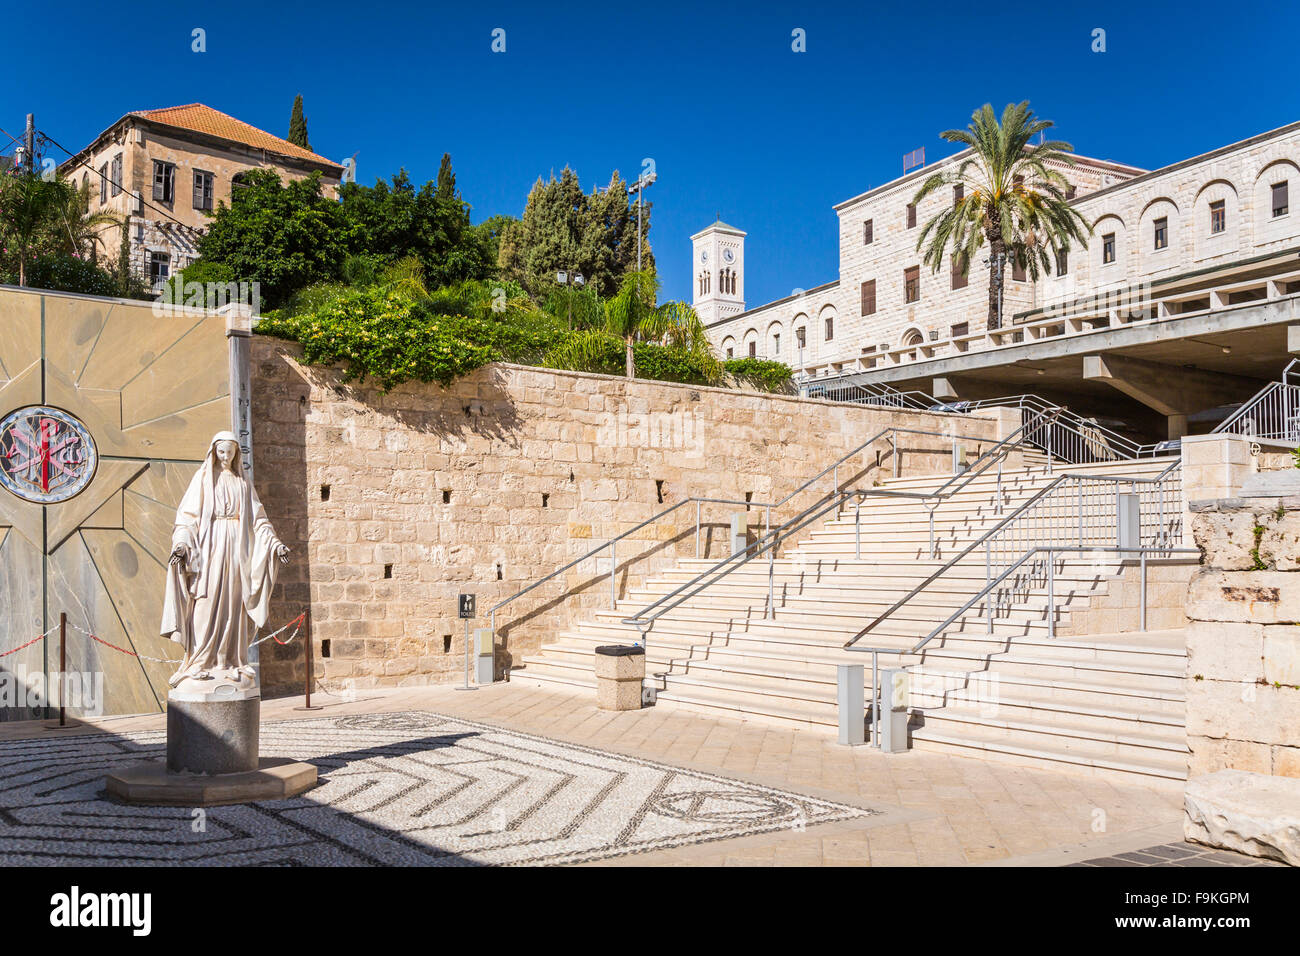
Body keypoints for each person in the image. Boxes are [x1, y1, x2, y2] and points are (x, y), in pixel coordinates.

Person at [161, 431, 290, 690]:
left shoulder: (243, 484)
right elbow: (187, 518)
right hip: (210, 547)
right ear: (214, 452)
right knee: (206, 603)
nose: (225, 456)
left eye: (230, 452)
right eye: (221, 451)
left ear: (235, 454)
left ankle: (229, 661)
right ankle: (198, 662)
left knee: (233, 602)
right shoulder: (203, 479)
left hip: (237, 548)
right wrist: (182, 544)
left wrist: (275, 543)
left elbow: (259, 520)